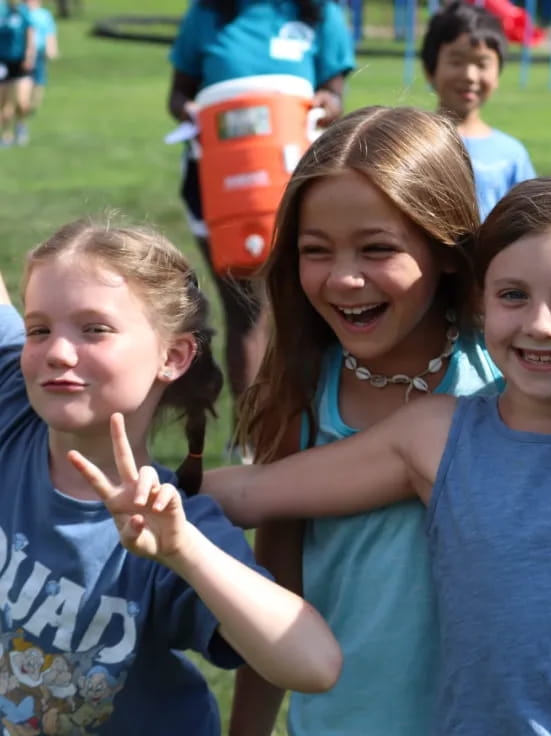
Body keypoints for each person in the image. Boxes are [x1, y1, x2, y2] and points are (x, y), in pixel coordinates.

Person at [196, 168, 551, 733]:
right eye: (513, 296)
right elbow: (255, 490)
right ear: (482, 304)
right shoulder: (435, 437)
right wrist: (126, 490)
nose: (540, 324)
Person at [0, 219, 341, 734]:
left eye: (95, 329)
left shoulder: (168, 521)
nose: (57, 352)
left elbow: (314, 665)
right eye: (39, 328)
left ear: (173, 356)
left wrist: (184, 551)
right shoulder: (13, 400)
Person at [225, 105, 503, 736]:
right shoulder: (302, 388)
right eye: (315, 251)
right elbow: (278, 595)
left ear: (450, 250)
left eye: (378, 249)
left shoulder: (513, 373)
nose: (345, 279)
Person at [168, 0, 355, 453]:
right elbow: (177, 96)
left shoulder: (319, 13)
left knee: (302, 306)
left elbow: (333, 92)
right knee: (246, 309)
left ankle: (306, 424)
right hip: (221, 184)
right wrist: (195, 112)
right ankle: (252, 435)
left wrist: (327, 102)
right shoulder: (209, 13)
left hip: (294, 179)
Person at [421, 0, 535, 220]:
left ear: (498, 73)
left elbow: (527, 225)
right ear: (430, 69)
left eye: (482, 64)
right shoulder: (412, 144)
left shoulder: (511, 155)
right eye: (456, 62)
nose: (469, 76)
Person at [0, 0, 34, 146]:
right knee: (3, 104)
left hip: (20, 62)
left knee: (22, 102)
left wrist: (29, 56)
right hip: (2, 62)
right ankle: (6, 135)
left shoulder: (23, 12)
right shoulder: (1, 10)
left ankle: (21, 124)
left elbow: (30, 34)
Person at [24, 0, 57, 129]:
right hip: (23, 52)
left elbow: (50, 32)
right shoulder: (21, 12)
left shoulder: (44, 14)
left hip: (39, 52)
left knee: (38, 81)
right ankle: (23, 104)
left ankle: (32, 107)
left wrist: (52, 48)